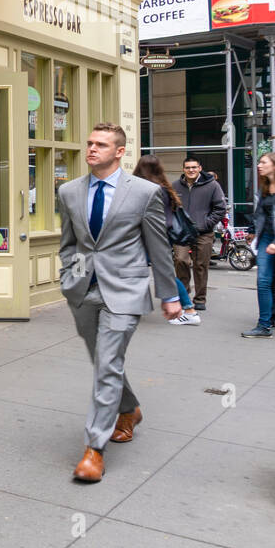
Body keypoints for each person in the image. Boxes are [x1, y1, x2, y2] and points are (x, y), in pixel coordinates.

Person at [57, 123, 179, 483]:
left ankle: (94, 449)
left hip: (125, 290)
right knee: (102, 361)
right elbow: (70, 243)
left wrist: (169, 294)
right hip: (83, 291)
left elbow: (158, 245)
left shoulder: (144, 193)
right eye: (90, 143)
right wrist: (69, 278)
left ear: (120, 151)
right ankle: (129, 409)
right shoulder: (68, 191)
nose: (92, 149)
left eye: (101, 144)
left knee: (108, 361)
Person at [133, 155, 199, 326]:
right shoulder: (164, 188)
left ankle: (188, 309)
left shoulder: (147, 189)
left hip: (149, 237)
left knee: (163, 272)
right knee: (158, 270)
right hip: (162, 236)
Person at [170, 157, 227, 311]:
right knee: (181, 261)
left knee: (201, 265)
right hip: (182, 232)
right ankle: (184, 295)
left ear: (200, 168)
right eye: (188, 167)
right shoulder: (175, 186)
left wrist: (206, 223)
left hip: (204, 232)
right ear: (183, 169)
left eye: (194, 167)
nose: (191, 170)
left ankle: (200, 299)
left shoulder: (212, 186)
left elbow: (220, 208)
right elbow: (170, 208)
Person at [242, 152, 275, 338]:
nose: (258, 165)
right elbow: (260, 213)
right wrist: (252, 229)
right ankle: (264, 325)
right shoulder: (263, 187)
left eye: (263, 162)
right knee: (263, 281)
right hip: (267, 237)